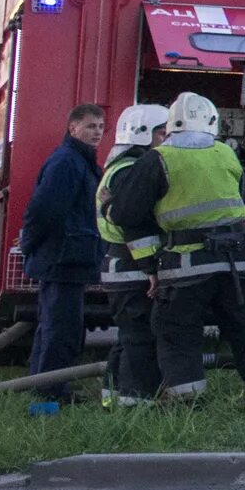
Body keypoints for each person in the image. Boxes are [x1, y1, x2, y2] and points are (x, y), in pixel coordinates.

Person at [145, 92, 245, 403]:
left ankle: (187, 404)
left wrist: (147, 264)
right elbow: (237, 193)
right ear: (214, 122)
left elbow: (127, 213)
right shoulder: (225, 152)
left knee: (176, 330)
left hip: (187, 264)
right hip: (239, 260)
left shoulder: (157, 158)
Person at [14, 103, 107, 413]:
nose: (97, 132)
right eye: (90, 126)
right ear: (73, 129)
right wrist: (31, 245)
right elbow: (44, 210)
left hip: (69, 259)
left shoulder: (79, 162)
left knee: (53, 326)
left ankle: (42, 390)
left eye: (100, 126)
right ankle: (49, 397)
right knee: (61, 330)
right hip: (62, 259)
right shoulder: (67, 162)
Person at [97, 104, 171, 401]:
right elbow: (135, 225)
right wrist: (151, 267)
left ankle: (111, 397)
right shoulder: (132, 171)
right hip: (132, 268)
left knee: (128, 337)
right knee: (141, 338)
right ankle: (135, 403)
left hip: (121, 267)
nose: (167, 140)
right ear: (144, 135)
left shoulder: (120, 166)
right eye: (163, 134)